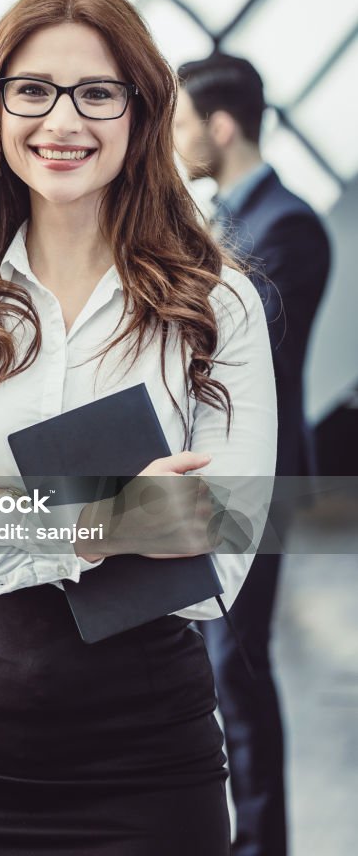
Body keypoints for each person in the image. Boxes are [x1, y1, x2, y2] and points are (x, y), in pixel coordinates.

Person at [0, 0, 277, 854]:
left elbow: (218, 556)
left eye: (96, 92)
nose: (62, 120)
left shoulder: (215, 305)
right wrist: (114, 519)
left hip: (147, 765)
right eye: (32, 89)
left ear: (139, 110)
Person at [175, 52, 331, 856]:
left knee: (237, 667)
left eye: (181, 121)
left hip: (258, 482)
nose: (173, 138)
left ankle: (262, 843)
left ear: (221, 125)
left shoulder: (288, 227)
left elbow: (248, 351)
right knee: (218, 667)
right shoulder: (228, 222)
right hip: (216, 478)